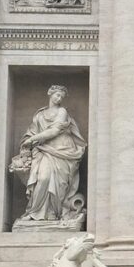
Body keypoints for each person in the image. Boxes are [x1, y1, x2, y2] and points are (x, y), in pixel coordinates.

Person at [16, 85, 86, 222]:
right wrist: (28, 140)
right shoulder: (39, 115)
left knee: (58, 184)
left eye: (61, 97)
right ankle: (34, 212)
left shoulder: (62, 112)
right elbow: (31, 131)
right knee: (43, 178)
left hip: (62, 150)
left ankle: (53, 213)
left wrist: (32, 139)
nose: (59, 98)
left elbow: (54, 131)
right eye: (57, 95)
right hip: (44, 150)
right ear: (50, 94)